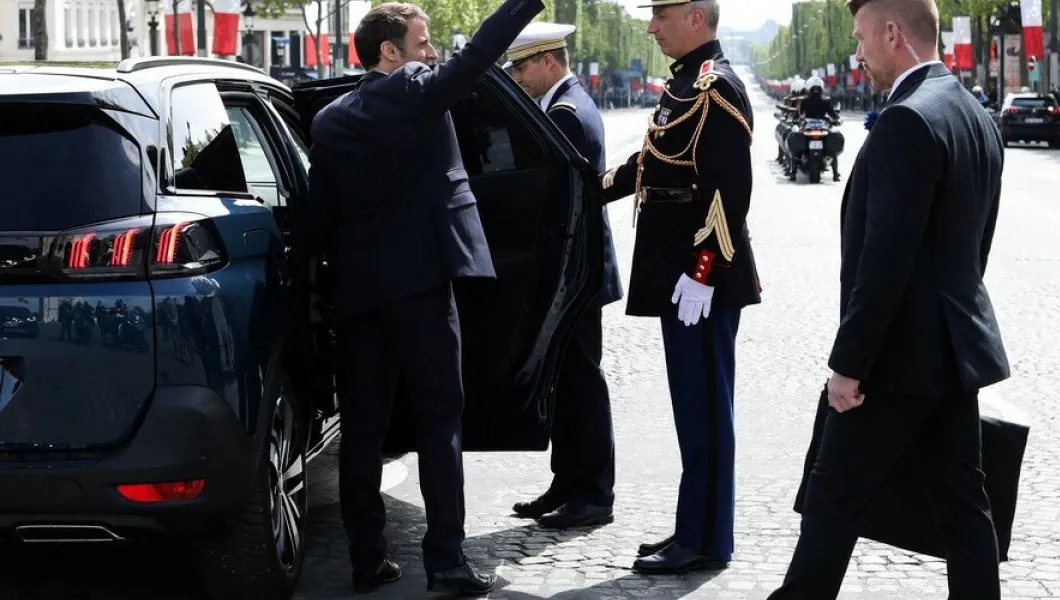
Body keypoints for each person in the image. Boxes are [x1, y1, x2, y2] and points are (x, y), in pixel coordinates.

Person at [766, 0, 1008, 597]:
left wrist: (849, 366)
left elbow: (884, 264)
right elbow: (977, 244)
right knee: (964, 507)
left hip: (896, 359)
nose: (857, 53)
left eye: (861, 39)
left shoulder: (907, 120)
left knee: (833, 496)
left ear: (894, 33)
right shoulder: (972, 113)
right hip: (954, 349)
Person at [303, 0, 543, 594]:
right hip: (423, 289)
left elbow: (318, 220)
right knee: (440, 421)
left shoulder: (329, 121)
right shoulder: (413, 91)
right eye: (424, 41)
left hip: (359, 296)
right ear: (391, 51)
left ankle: (367, 559)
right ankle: (447, 563)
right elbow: (480, 55)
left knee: (362, 428)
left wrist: (317, 292)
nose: (434, 52)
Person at [600, 0, 760, 575]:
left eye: (660, 17)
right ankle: (693, 526)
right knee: (692, 410)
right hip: (680, 275)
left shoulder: (716, 87)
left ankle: (708, 540)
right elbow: (656, 163)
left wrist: (703, 274)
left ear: (695, 17)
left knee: (707, 412)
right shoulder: (687, 83)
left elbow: (728, 192)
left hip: (701, 281)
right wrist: (592, 185)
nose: (650, 27)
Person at [504, 22, 622, 529]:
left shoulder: (566, 114)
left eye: (522, 66)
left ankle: (593, 493)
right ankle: (568, 482)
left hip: (574, 274)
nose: (517, 76)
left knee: (581, 383)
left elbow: (556, 201)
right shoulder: (567, 104)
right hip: (577, 270)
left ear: (549, 62)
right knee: (568, 383)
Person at [798, 82, 842, 181]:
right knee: (832, 150)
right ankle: (835, 174)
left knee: (832, 148)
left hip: (809, 126)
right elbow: (832, 114)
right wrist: (836, 119)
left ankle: (793, 171)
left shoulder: (805, 101)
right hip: (822, 126)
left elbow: (800, 114)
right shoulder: (825, 102)